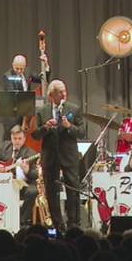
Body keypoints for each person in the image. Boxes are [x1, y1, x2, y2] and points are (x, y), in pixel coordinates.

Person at [31, 79, 86, 231]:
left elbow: (82, 132)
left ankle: (74, 224)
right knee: (51, 191)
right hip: (50, 156)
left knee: (73, 189)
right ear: (51, 95)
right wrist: (45, 127)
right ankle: (58, 224)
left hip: (68, 155)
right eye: (60, 92)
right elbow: (35, 134)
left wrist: (70, 127)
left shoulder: (74, 109)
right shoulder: (42, 111)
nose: (64, 94)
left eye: (64, 91)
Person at [0, 125, 39, 225]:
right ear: (11, 138)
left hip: (22, 185)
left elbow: (36, 174)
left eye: (20, 138)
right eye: (14, 138)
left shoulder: (31, 153)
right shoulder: (5, 147)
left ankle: (21, 220)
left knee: (33, 191)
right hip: (4, 183)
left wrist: (27, 171)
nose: (17, 141)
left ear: (24, 139)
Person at [0, 53, 48, 139]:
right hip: (12, 116)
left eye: (21, 69)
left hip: (24, 112)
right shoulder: (8, 76)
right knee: (11, 141)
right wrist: (30, 101)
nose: (19, 71)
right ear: (13, 65)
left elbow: (43, 80)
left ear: (25, 66)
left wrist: (45, 65)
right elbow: (14, 95)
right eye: (16, 68)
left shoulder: (28, 72)